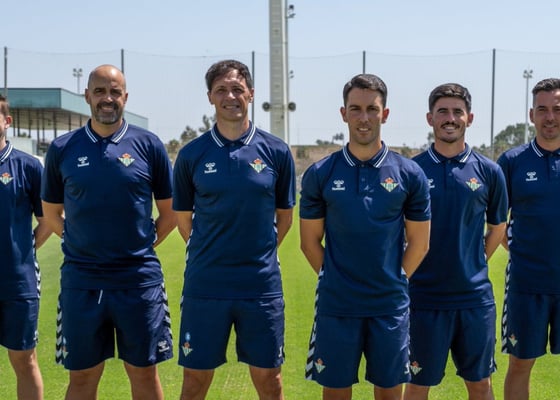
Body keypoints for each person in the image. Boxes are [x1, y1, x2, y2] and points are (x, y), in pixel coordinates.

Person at [41, 65, 176, 400]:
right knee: (82, 377)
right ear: (87, 96)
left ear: (125, 97)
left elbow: (170, 213)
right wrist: (79, 243)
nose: (107, 98)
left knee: (144, 373)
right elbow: (51, 213)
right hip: (82, 281)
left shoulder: (148, 144)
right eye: (100, 91)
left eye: (115, 92)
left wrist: (142, 246)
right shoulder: (63, 148)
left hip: (138, 281)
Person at [299, 73, 431, 400]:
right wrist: (334, 278)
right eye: (355, 109)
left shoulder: (409, 173)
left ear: (385, 114)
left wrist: (395, 279)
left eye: (372, 109)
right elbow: (309, 242)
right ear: (343, 113)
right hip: (337, 305)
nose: (364, 118)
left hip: (388, 306)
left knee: (389, 393)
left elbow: (419, 242)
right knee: (336, 393)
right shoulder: (321, 173)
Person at [172, 59, 296, 400]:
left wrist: (259, 252)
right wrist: (211, 251)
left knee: (269, 380)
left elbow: (285, 217)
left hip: (260, 285)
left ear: (251, 94)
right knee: (195, 381)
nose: (230, 96)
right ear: (210, 97)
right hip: (205, 285)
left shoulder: (276, 151)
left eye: (237, 89)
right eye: (222, 90)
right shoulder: (192, 154)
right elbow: (183, 219)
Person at [404, 83, 508, 400]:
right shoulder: (412, 170)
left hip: (474, 300)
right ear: (430, 118)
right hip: (423, 299)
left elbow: (498, 227)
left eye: (457, 112)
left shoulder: (489, 171)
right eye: (442, 112)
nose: (450, 118)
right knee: (417, 385)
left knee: (480, 385)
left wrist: (474, 261)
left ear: (469, 118)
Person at [498, 77, 560, 400]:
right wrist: (521, 248)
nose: (550, 117)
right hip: (526, 284)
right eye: (543, 109)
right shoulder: (512, 162)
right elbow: (497, 221)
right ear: (531, 114)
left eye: (557, 109)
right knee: (520, 365)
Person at [0, 95, 51, 400]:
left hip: (18, 283)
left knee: (24, 359)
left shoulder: (28, 166)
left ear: (7, 121)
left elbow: (48, 220)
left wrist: (24, 249)